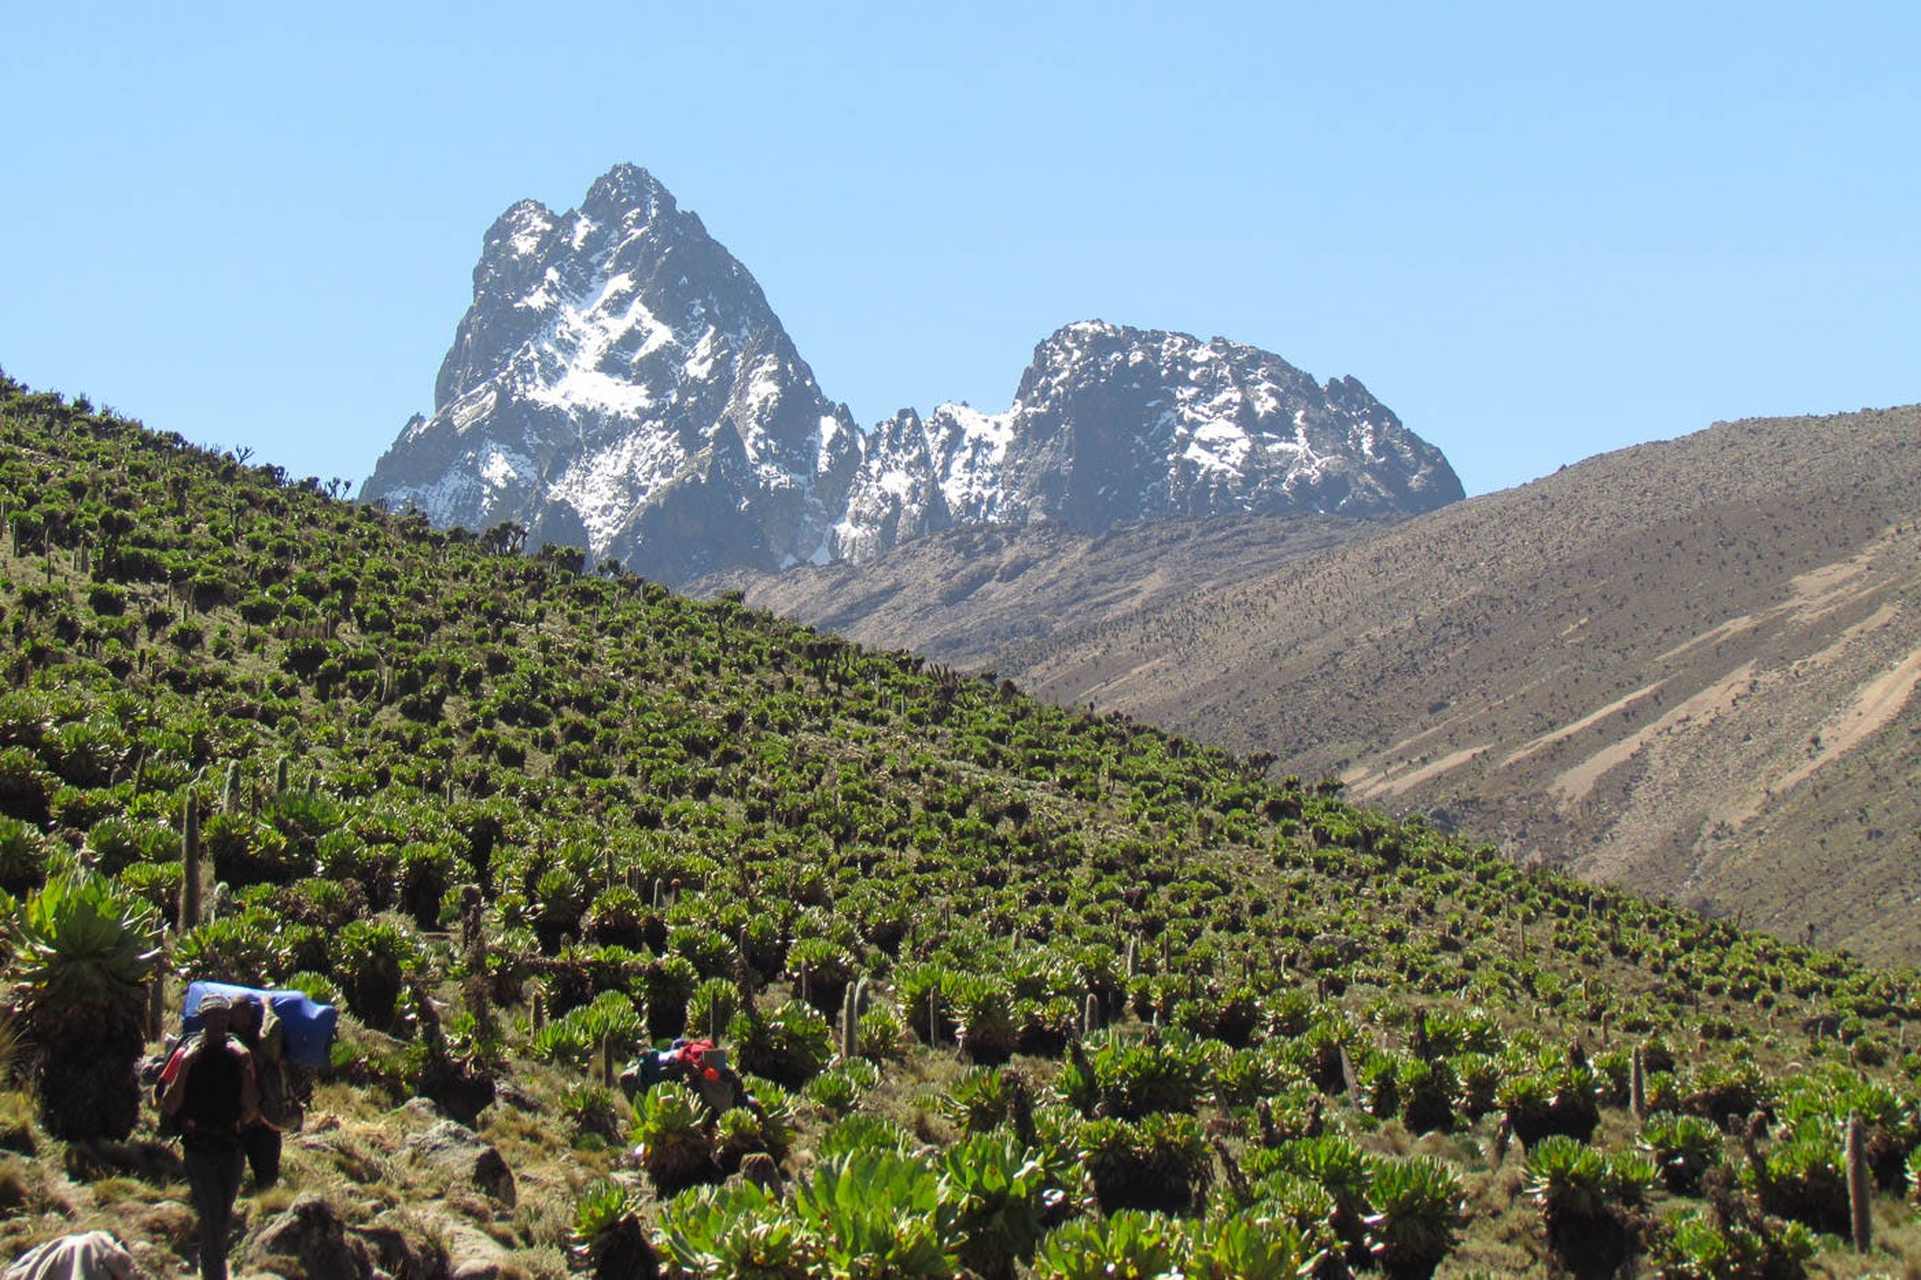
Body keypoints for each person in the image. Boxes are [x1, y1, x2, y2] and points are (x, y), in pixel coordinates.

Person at [157, 994, 260, 1280]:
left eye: (223, 1017)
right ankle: (215, 1273)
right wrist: (187, 1066)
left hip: (230, 1147)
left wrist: (246, 1069)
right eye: (213, 1017)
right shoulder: (186, 1054)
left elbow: (251, 1109)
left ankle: (213, 1268)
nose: (219, 1022)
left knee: (222, 1215)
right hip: (198, 1147)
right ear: (204, 1019)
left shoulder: (240, 1054)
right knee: (210, 1213)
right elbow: (169, 1104)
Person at [229, 994, 297, 1189]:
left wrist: (267, 1005)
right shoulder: (224, 1043)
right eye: (237, 1014)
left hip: (264, 1119)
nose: (242, 1018)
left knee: (267, 1175)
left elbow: (273, 1030)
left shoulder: (263, 1043)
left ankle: (267, 1205)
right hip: (234, 1119)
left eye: (246, 1013)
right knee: (229, 1173)